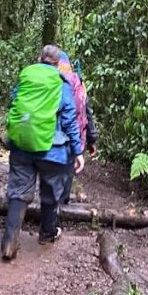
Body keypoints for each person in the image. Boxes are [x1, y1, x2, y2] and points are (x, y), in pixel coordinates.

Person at [1, 44, 84, 261]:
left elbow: (13, 101)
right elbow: (69, 118)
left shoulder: (27, 77)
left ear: (39, 58)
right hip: (52, 149)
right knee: (50, 193)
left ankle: (9, 241)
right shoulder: (61, 83)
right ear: (58, 64)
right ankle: (47, 234)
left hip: (22, 145)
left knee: (18, 192)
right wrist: (78, 151)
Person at [55, 50, 98, 205]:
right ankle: (62, 204)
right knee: (67, 175)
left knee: (52, 177)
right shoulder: (79, 84)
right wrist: (92, 140)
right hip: (75, 138)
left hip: (53, 137)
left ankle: (50, 209)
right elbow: (88, 114)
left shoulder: (51, 81)